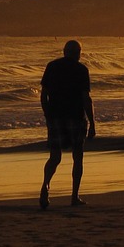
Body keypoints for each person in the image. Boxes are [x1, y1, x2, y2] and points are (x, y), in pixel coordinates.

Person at [39, 39, 95, 209]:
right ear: (78, 53)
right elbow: (86, 98)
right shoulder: (81, 70)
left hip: (56, 117)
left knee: (55, 157)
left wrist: (48, 115)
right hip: (76, 118)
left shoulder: (52, 66)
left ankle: (45, 185)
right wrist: (92, 122)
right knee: (77, 157)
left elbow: (43, 95)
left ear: (64, 52)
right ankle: (74, 196)